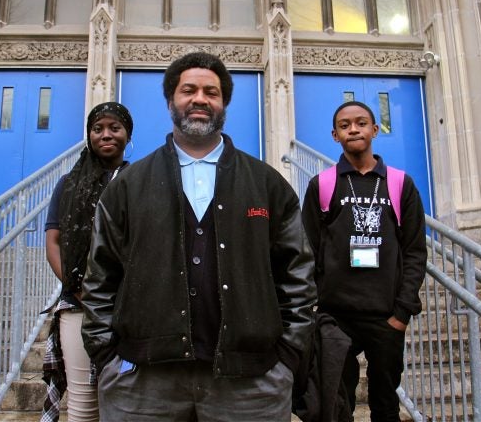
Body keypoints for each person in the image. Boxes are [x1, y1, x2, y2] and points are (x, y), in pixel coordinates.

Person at [80, 51, 316, 421]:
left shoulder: (267, 184)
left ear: (224, 103)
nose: (200, 99)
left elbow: (298, 275)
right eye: (188, 90)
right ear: (171, 100)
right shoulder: (127, 185)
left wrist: (287, 357)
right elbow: (100, 276)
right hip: (142, 385)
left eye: (212, 92)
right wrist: (107, 355)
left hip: (251, 384)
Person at [301, 101, 427, 422]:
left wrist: (402, 312)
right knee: (335, 405)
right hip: (335, 318)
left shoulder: (400, 184)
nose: (353, 129)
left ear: (374, 129)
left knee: (385, 407)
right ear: (335, 135)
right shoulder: (322, 186)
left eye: (360, 123)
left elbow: (414, 252)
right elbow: (308, 251)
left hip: (386, 317)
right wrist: (315, 311)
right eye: (345, 125)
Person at [41, 102, 134, 422]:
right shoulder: (69, 184)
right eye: (98, 129)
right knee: (83, 406)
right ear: (89, 136)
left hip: (130, 309)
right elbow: (53, 242)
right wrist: (79, 288)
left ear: (128, 135)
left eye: (115, 128)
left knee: (129, 401)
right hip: (78, 306)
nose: (106, 135)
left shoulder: (139, 180)